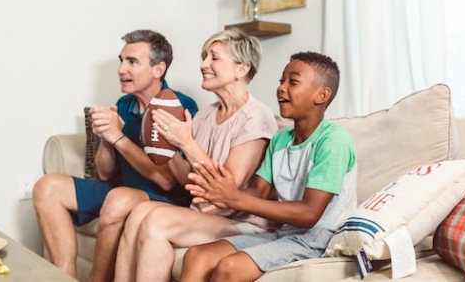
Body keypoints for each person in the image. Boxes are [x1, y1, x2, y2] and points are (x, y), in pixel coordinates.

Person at [32, 29, 199, 282]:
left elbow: (167, 179)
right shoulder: (124, 103)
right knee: (47, 187)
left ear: (158, 69)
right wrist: (107, 139)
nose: (122, 69)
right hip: (121, 189)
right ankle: (64, 277)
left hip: (164, 199)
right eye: (122, 61)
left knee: (118, 199)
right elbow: (105, 171)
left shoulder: (178, 105)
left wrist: (119, 137)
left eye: (132, 62)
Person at [113, 28, 278, 282]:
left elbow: (227, 188)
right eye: (204, 57)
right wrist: (165, 146)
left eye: (214, 57)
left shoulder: (256, 116)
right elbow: (187, 180)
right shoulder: (205, 115)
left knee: (155, 221)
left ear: (241, 68)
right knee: (138, 214)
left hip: (243, 224)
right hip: (203, 216)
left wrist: (186, 141)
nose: (204, 65)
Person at [180, 52, 357, 282]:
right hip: (284, 233)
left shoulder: (334, 141)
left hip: (320, 239)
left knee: (230, 267)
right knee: (197, 255)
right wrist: (220, 194)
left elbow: (309, 213)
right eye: (281, 81)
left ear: (321, 95)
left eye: (292, 82)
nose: (281, 88)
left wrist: (235, 198)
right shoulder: (281, 140)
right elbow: (257, 191)